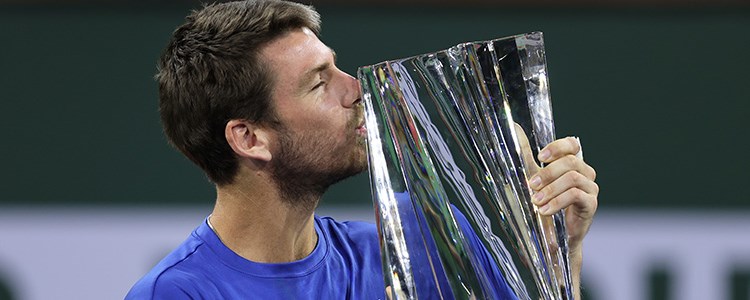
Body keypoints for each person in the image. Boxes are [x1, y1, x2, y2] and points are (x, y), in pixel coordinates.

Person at [126, 0, 599, 299]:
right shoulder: (179, 293)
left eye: (338, 67)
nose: (357, 89)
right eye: (319, 83)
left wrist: (559, 251)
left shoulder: (420, 241)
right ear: (250, 139)